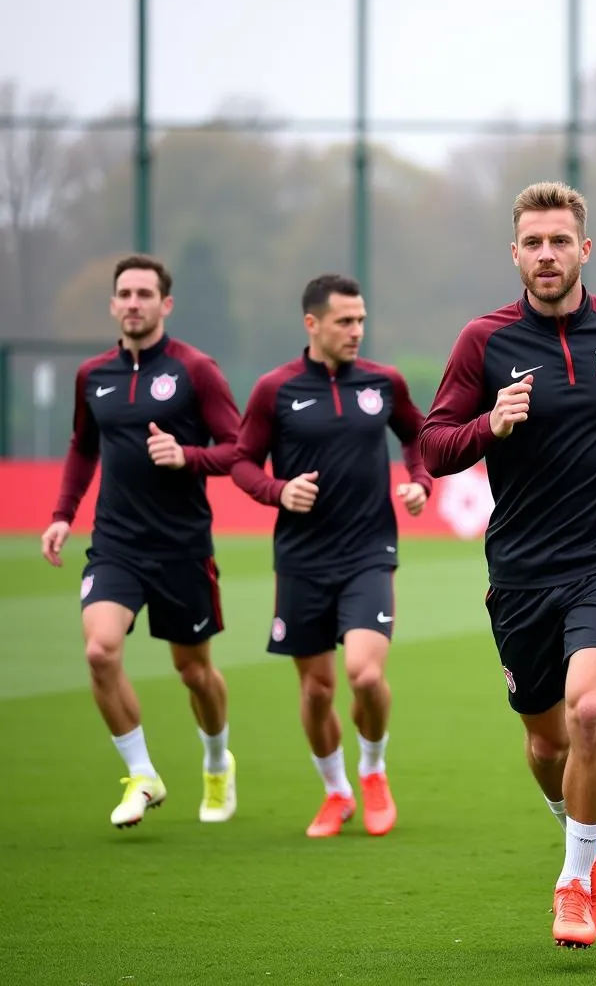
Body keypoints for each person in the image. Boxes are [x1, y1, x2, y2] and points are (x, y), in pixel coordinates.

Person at [420, 181, 596, 948]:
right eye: (533, 243)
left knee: (589, 711)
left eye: (560, 241)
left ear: (585, 248)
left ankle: (574, 881)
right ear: (515, 253)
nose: (547, 255)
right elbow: (434, 445)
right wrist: (491, 423)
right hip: (519, 572)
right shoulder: (484, 342)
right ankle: (588, 830)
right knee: (548, 744)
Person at [40, 254, 242, 829]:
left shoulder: (196, 370)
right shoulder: (93, 375)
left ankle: (215, 761)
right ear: (113, 304)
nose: (133, 303)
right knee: (99, 650)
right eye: (124, 294)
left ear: (165, 304)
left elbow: (237, 448)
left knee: (194, 673)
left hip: (182, 546)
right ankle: (142, 774)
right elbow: (83, 447)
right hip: (116, 546)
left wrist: (188, 456)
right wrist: (61, 514)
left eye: (144, 294)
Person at [231, 274, 431, 839]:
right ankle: (336, 790)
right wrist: (278, 490)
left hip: (370, 550)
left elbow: (418, 436)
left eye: (361, 319)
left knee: (365, 675)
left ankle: (372, 772)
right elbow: (243, 462)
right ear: (312, 324)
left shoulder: (383, 382)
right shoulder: (274, 389)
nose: (356, 331)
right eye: (345, 321)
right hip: (301, 557)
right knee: (317, 690)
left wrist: (420, 482)